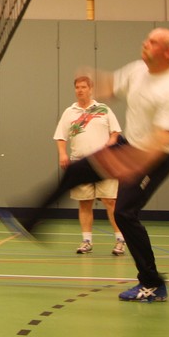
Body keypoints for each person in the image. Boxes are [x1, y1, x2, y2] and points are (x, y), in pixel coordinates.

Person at [7, 28, 169, 303]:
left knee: (125, 214)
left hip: (156, 157)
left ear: (168, 52)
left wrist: (131, 165)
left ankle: (152, 284)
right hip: (131, 144)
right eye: (147, 39)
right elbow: (111, 86)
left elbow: (162, 141)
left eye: (152, 42)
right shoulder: (138, 70)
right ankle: (33, 220)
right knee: (76, 172)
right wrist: (91, 80)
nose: (145, 43)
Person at [54, 74, 124, 256]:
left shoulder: (103, 109)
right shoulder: (69, 112)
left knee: (110, 201)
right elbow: (60, 136)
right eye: (77, 87)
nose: (80, 90)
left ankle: (120, 240)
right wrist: (63, 154)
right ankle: (86, 241)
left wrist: (112, 142)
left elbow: (115, 132)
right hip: (80, 164)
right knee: (85, 203)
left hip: (104, 164)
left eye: (83, 87)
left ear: (91, 89)